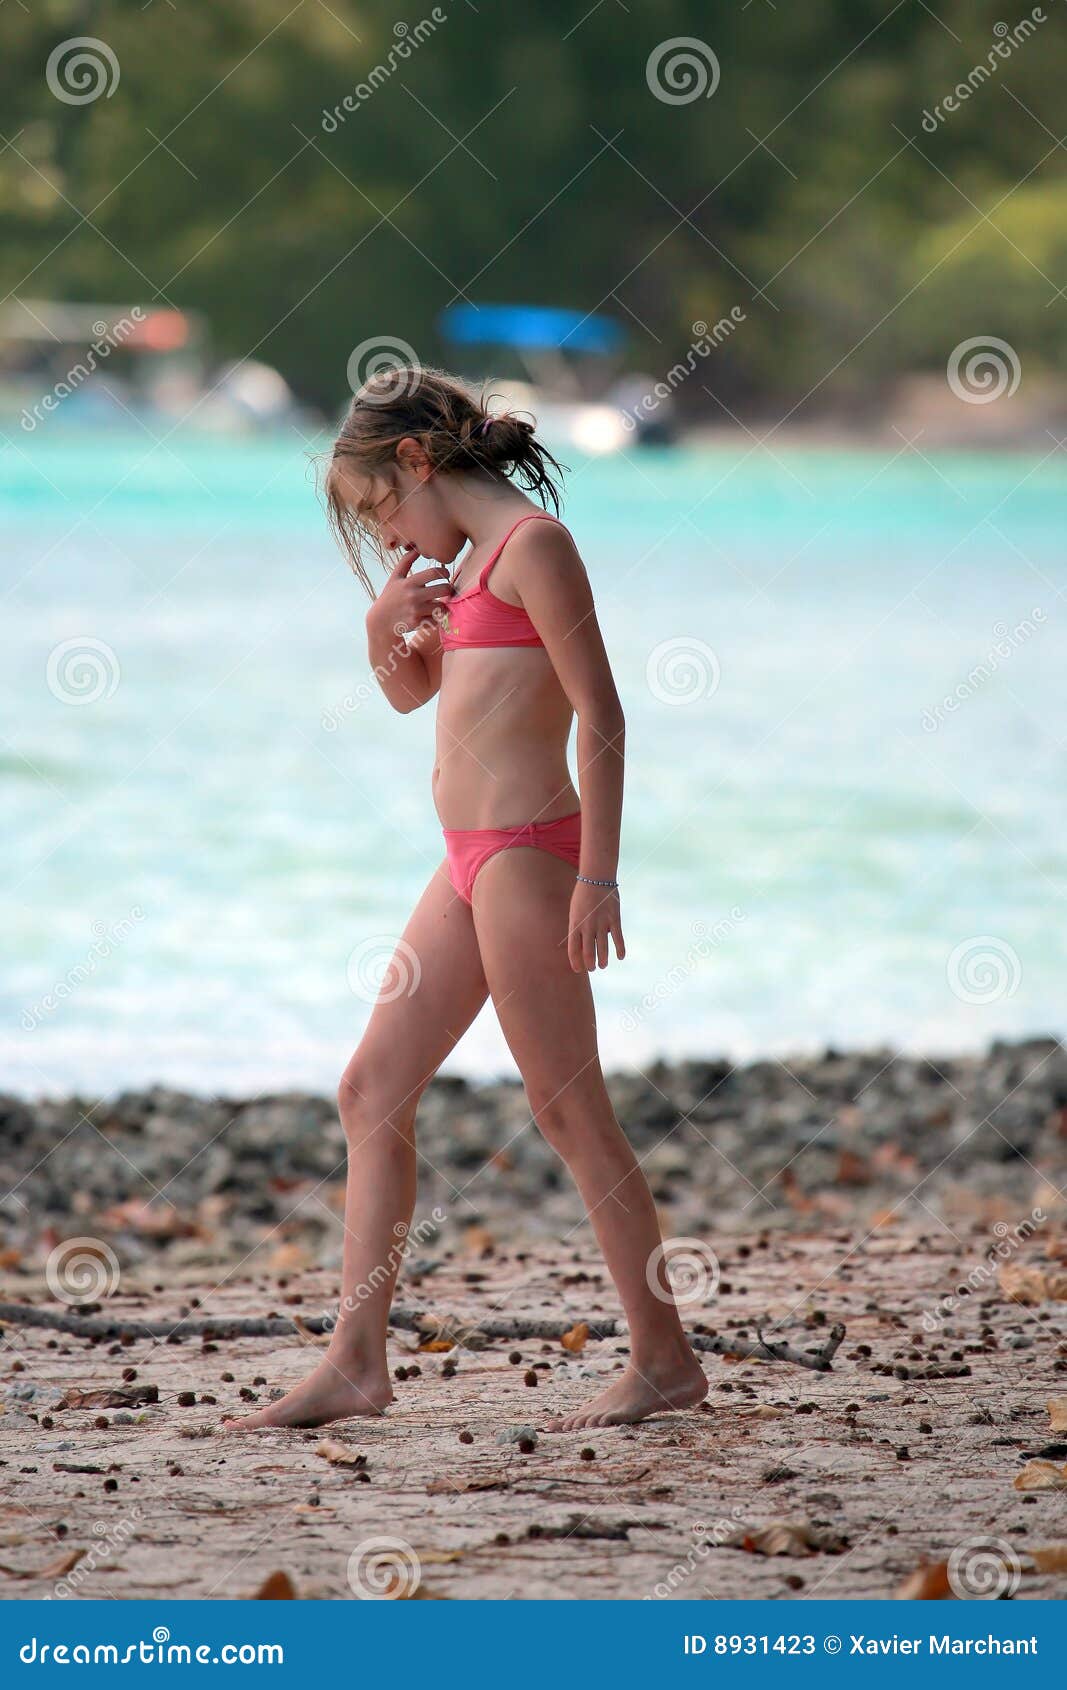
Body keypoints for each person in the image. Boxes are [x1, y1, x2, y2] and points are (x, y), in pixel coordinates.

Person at [223, 366, 706, 1433]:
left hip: (534, 856)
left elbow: (605, 719)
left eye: (380, 508)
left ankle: (664, 1359)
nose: (388, 534)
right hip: (466, 857)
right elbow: (411, 693)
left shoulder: (533, 548)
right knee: (370, 1089)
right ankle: (355, 1360)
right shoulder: (465, 568)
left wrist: (598, 874)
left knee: (569, 1110)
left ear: (415, 459)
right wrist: (381, 627)